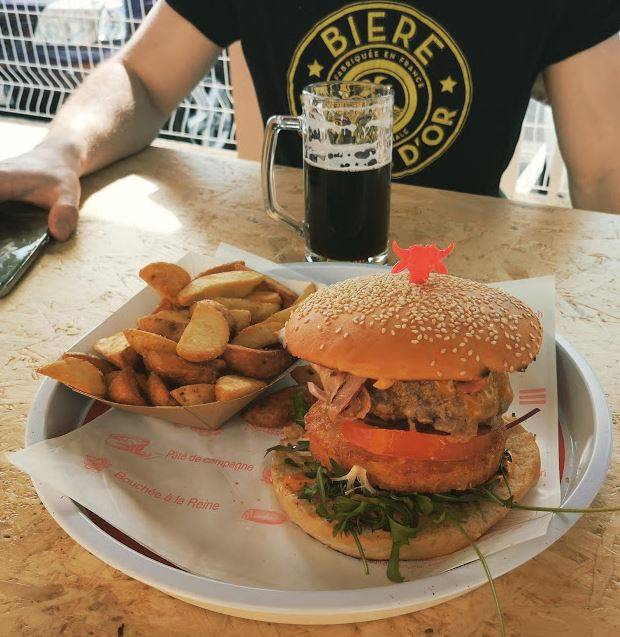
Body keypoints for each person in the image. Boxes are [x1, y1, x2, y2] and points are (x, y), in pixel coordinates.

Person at [0, 1, 619, 241]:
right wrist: (64, 147)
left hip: (466, 270)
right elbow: (141, 78)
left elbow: (604, 171)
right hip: (291, 258)